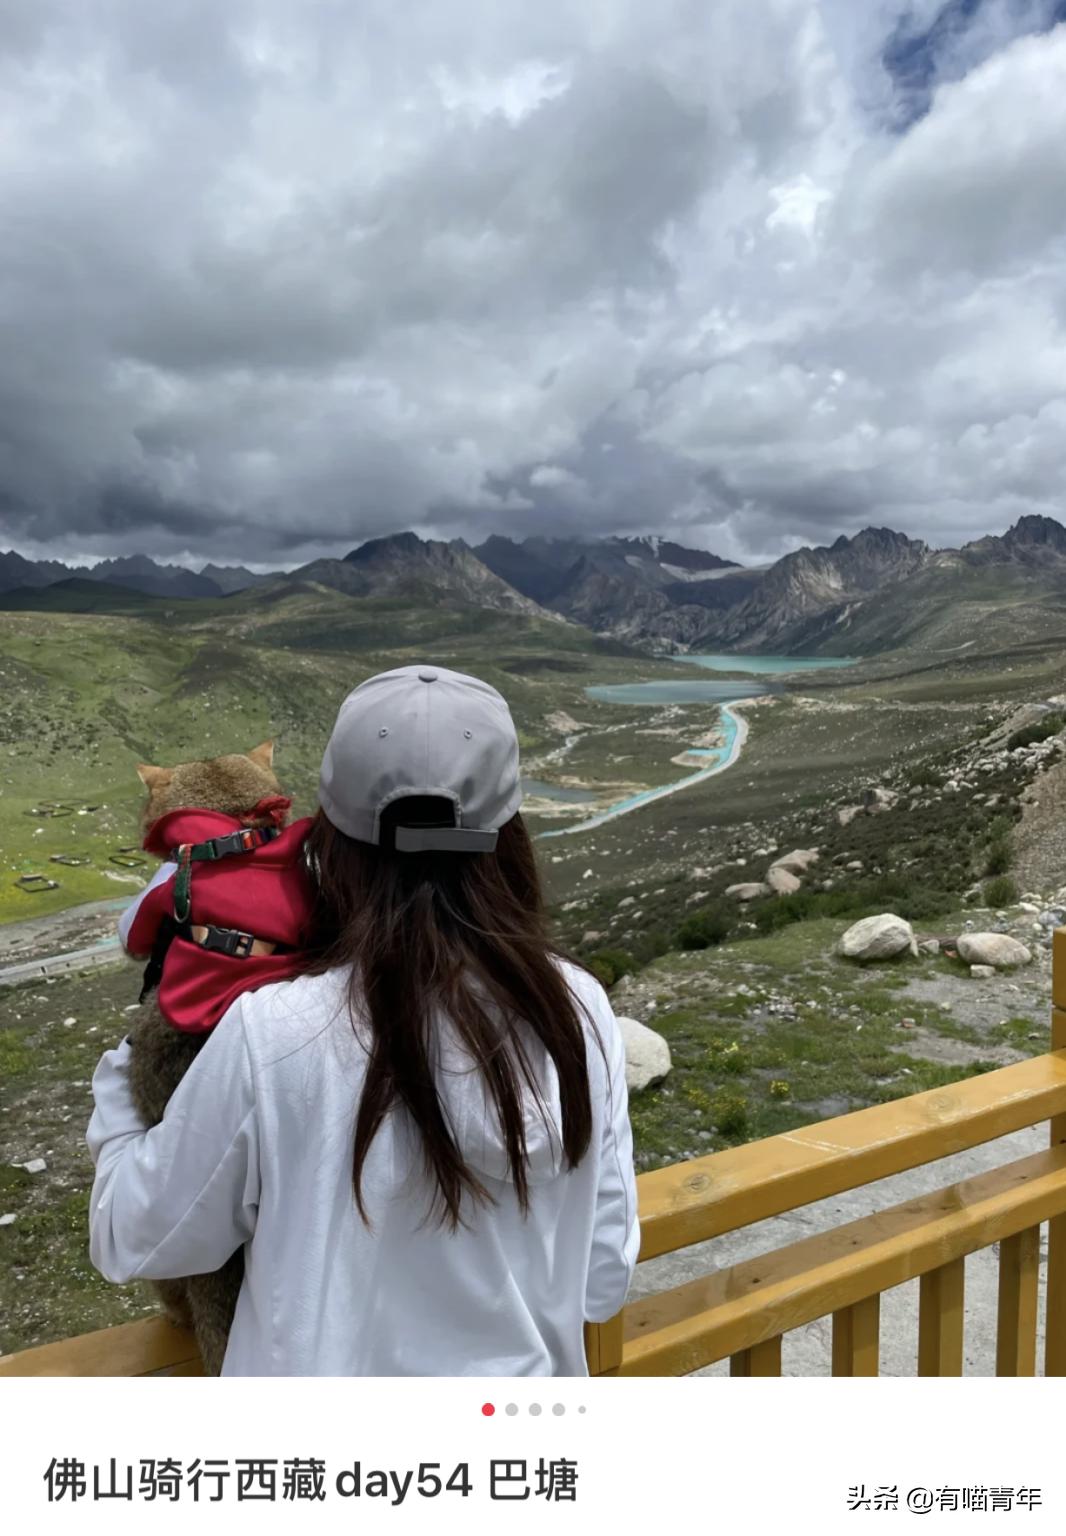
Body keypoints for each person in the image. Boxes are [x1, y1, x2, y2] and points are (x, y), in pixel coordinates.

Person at [86, 664, 640, 1375]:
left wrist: (129, 1063)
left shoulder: (271, 1031)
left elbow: (132, 1236)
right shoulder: (577, 1009)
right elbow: (602, 1278)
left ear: (331, 838)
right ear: (508, 834)